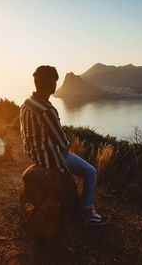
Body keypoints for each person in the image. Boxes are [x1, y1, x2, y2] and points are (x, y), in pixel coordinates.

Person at [20, 65, 107, 225]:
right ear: (51, 84)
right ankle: (88, 212)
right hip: (50, 157)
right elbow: (62, 142)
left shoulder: (27, 103)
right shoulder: (46, 109)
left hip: (34, 154)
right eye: (54, 81)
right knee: (91, 172)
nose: (55, 85)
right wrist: (65, 145)